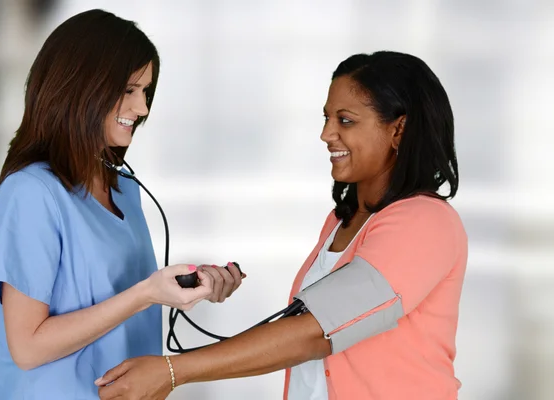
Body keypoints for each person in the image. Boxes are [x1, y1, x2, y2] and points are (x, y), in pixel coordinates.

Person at [95, 50, 468, 400]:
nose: (326, 134)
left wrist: (174, 371)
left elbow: (317, 331)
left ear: (398, 130)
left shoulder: (425, 221)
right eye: (326, 117)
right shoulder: (341, 221)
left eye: (346, 120)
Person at [0, 9, 243, 400]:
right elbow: (28, 348)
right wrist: (147, 294)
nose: (143, 108)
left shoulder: (123, 186)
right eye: (130, 90)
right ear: (82, 86)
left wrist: (188, 288)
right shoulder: (31, 194)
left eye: (146, 91)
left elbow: (120, 301)